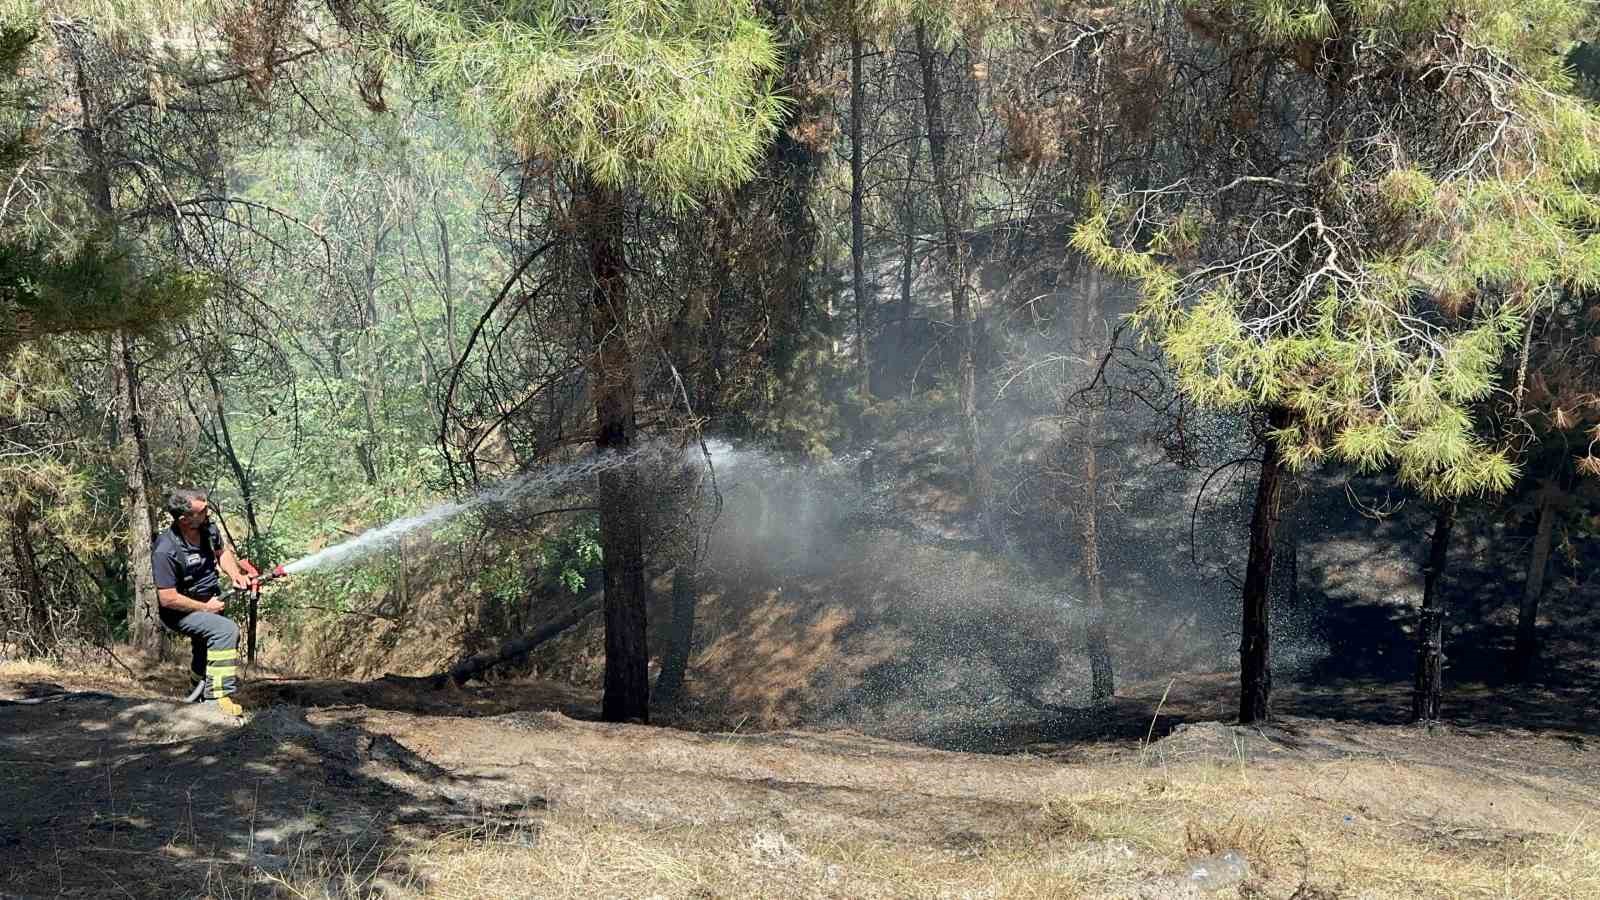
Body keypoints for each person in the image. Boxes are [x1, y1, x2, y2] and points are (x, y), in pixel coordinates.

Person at [153, 488, 251, 715]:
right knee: (225, 631)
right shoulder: (165, 549)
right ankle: (217, 698)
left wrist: (235, 574)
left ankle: (197, 691)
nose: (208, 512)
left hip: (210, 600)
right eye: (202, 510)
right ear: (184, 519)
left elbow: (222, 553)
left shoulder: (208, 528)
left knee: (205, 649)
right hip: (180, 610)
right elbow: (167, 598)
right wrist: (206, 608)